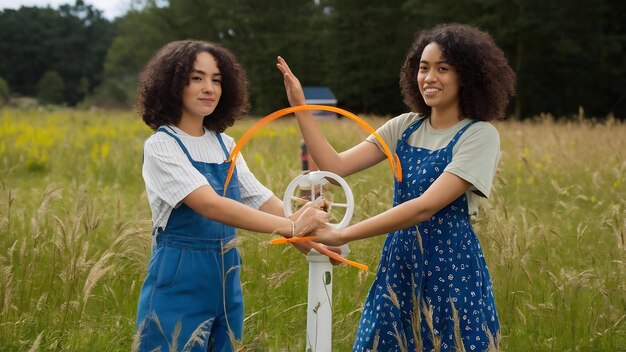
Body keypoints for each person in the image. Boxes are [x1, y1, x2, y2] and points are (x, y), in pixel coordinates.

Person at [277, 23, 515, 352]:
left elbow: (426, 206)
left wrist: (343, 234)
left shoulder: (479, 135)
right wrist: (300, 106)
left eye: (443, 69)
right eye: (424, 68)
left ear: (467, 76)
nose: (429, 78)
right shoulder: (404, 126)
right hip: (400, 263)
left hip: (453, 269)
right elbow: (335, 166)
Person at [134, 40, 327, 352]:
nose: (208, 88)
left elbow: (260, 199)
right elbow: (209, 204)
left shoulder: (226, 144)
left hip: (227, 277)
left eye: (216, 80)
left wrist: (313, 241)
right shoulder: (161, 145)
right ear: (172, 84)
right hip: (178, 277)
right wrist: (292, 227)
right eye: (196, 78)